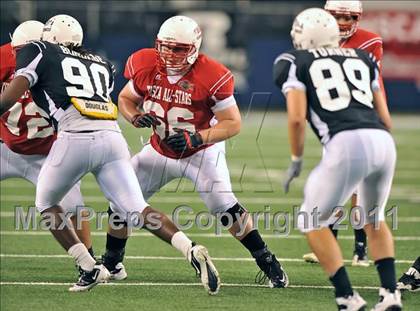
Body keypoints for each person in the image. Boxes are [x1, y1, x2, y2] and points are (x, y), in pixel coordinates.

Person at [0, 14, 221, 295]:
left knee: (45, 203)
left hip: (74, 137)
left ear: (49, 37)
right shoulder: (100, 61)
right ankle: (190, 248)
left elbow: (10, 99)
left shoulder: (40, 50)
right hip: (112, 138)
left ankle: (87, 267)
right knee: (136, 208)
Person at [103, 15, 289, 288]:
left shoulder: (212, 74)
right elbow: (126, 99)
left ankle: (268, 261)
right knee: (120, 197)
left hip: (201, 152)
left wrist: (197, 138)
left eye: (177, 48)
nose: (169, 54)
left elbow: (233, 123)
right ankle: (112, 262)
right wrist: (133, 116)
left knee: (224, 207)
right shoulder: (144, 63)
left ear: (193, 48)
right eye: (165, 47)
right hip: (159, 149)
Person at [274, 8, 401, 310]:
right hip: (383, 141)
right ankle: (390, 295)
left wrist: (296, 158)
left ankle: (347, 296)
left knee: (310, 218)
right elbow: (386, 118)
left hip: (345, 141)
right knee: (374, 218)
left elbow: (295, 119)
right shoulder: (363, 58)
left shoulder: (293, 61)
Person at [0, 20, 95, 262]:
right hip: (6, 145)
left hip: (48, 150)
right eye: (17, 51)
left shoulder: (58, 65)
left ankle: (90, 260)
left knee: (74, 207)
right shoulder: (4, 57)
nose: (18, 56)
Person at [303, 0, 386, 267]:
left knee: (356, 183)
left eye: (349, 17)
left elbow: (372, 82)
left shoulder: (369, 41)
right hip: (332, 118)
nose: (343, 22)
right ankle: (332, 244)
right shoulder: (315, 37)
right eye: (337, 16)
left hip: (359, 117)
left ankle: (360, 248)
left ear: (357, 18)